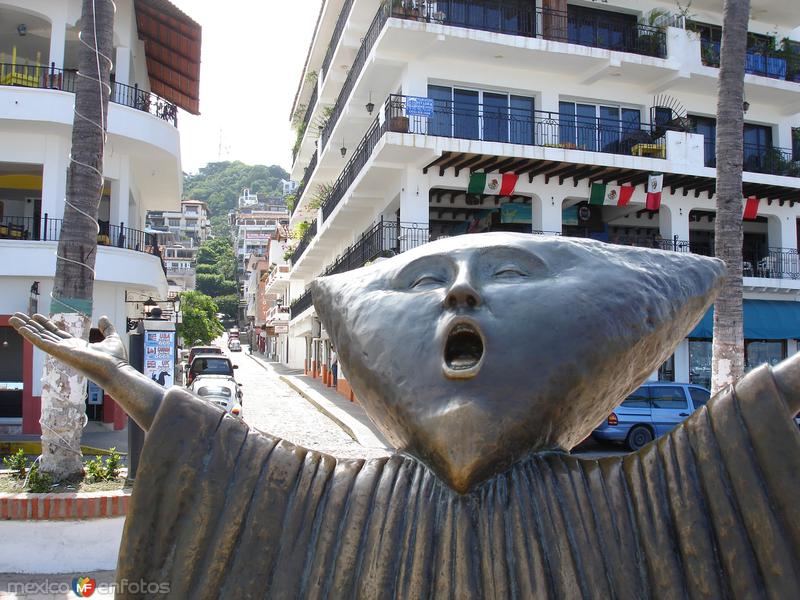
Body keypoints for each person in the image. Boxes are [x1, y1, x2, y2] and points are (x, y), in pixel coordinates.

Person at [10, 233, 800, 599]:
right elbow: (233, 465)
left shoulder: (621, 509)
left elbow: (719, 459)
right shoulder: (339, 504)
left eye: (511, 274)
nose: (460, 292)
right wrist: (118, 376)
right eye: (424, 281)